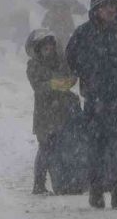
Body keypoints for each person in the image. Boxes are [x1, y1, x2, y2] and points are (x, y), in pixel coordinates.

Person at [65, 0, 117, 210]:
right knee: (96, 150)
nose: (109, 10)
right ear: (96, 10)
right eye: (104, 7)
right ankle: (96, 193)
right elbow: (70, 58)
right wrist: (88, 73)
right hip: (95, 103)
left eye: (112, 6)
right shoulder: (83, 34)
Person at [25, 29, 79, 195]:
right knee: (45, 148)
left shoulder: (61, 61)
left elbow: (71, 76)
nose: (49, 51)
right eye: (45, 48)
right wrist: (52, 85)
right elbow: (37, 86)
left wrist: (68, 82)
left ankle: (66, 182)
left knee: (63, 147)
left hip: (62, 111)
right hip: (44, 113)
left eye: (51, 48)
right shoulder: (33, 65)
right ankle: (39, 184)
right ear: (38, 49)